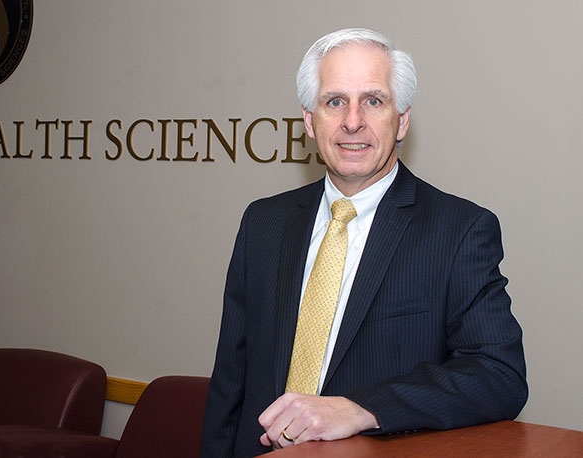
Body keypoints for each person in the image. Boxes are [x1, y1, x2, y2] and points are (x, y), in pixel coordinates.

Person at [200, 28, 527, 458]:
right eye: (334, 101)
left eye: (373, 101)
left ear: (402, 119)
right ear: (309, 120)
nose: (352, 120)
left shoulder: (459, 230)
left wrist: (362, 409)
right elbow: (231, 381)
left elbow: (499, 375)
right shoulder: (263, 222)